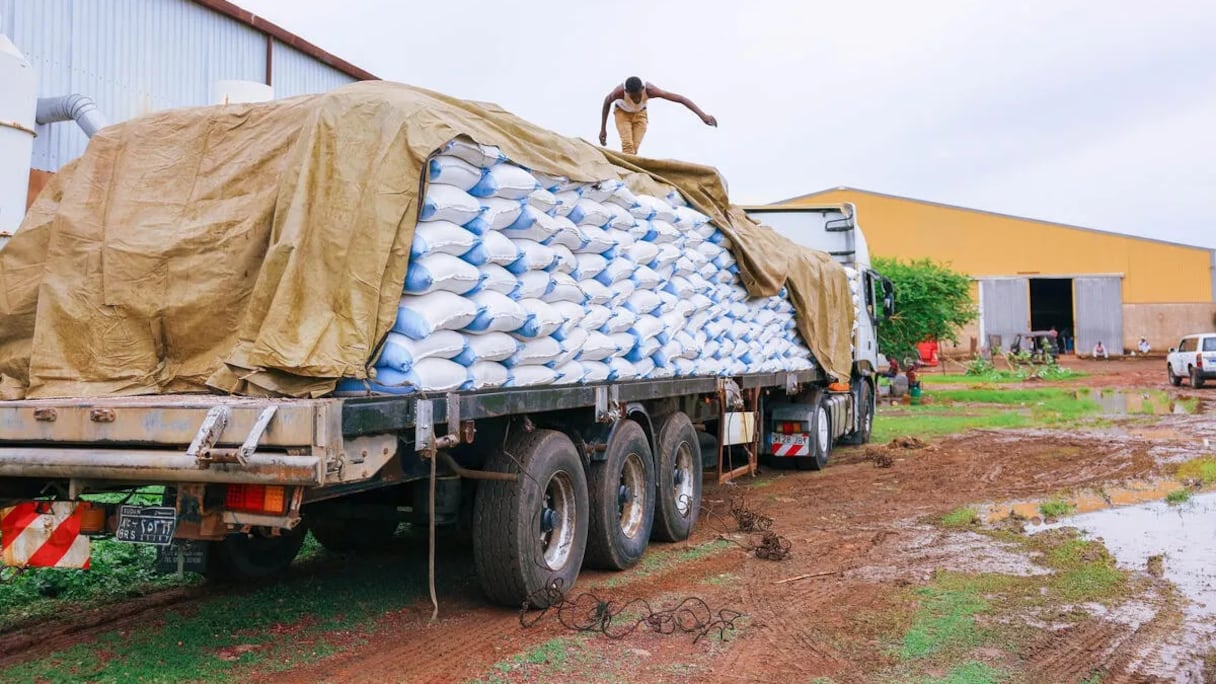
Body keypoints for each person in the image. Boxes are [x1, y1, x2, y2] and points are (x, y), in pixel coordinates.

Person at [598, 76, 717, 155]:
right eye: (633, 97)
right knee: (628, 146)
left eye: (639, 95)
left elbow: (680, 99)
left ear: (642, 89)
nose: (637, 99)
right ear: (627, 92)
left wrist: (703, 115)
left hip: (640, 115)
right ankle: (626, 178)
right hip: (622, 114)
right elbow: (606, 102)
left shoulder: (650, 90)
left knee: (634, 149)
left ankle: (630, 172)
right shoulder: (618, 92)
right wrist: (603, 129)